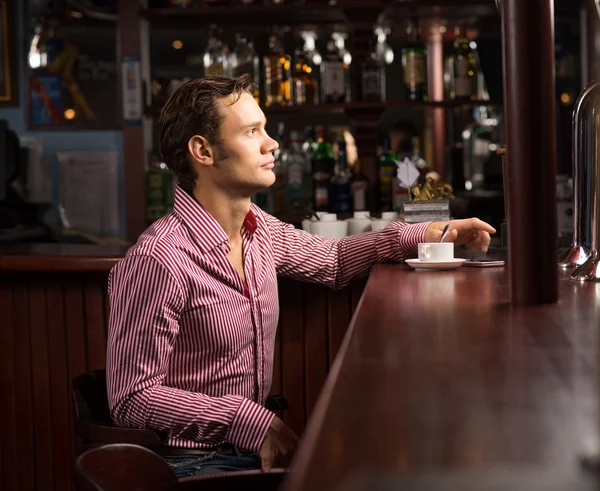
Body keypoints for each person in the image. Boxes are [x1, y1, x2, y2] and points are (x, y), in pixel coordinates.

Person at [106, 74, 496, 478]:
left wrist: (428, 232)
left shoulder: (259, 230)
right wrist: (249, 421)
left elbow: (333, 259)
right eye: (252, 131)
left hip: (244, 454)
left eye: (265, 128)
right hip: (189, 465)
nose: (271, 143)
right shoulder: (159, 258)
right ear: (203, 150)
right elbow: (132, 398)